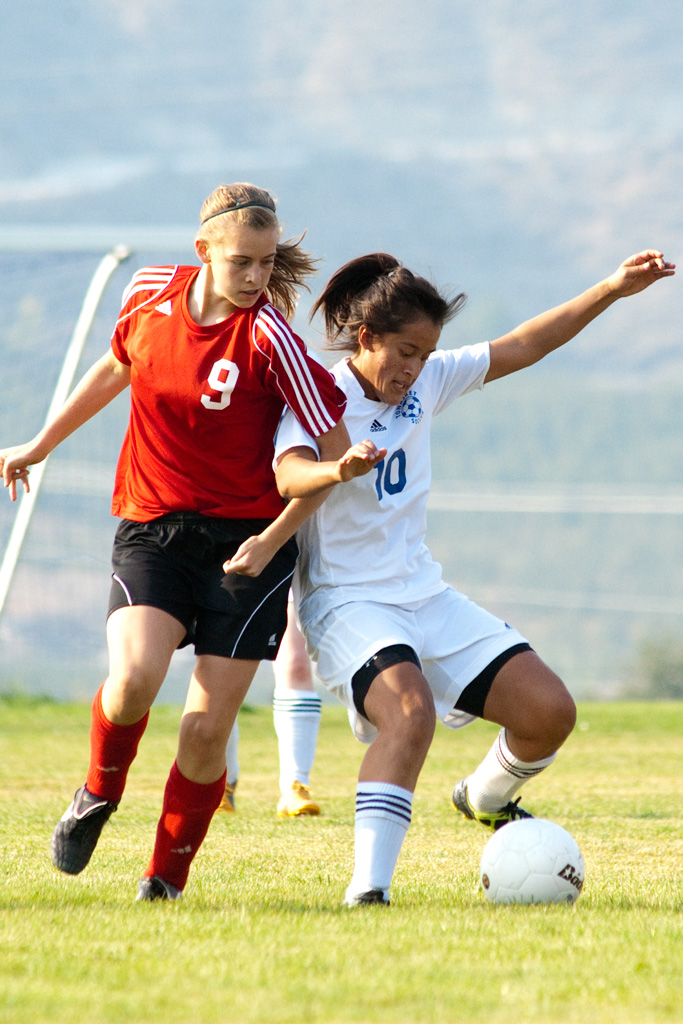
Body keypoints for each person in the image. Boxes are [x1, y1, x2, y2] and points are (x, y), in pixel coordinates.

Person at [0, 182, 383, 902]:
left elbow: (330, 465)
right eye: (242, 262)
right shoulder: (147, 293)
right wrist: (40, 444)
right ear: (203, 250)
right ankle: (97, 792)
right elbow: (118, 367)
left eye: (267, 262)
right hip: (155, 527)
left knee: (206, 731)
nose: (257, 277)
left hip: (249, 548)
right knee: (131, 683)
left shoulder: (271, 340)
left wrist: (273, 539)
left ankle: (164, 882)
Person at [270, 248, 675, 906]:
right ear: (366, 338)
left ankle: (483, 798)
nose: (415, 368)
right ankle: (368, 892)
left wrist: (610, 288)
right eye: (405, 352)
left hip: (424, 595)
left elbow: (525, 343)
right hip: (345, 604)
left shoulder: (427, 382)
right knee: (409, 714)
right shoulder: (318, 396)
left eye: (426, 354)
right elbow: (288, 474)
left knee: (550, 713)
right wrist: (336, 469)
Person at [216, 600, 324, 817]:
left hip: (285, 579)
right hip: (230, 581)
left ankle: (296, 786)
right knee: (221, 668)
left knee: (297, 665)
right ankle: (221, 784)